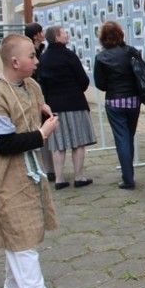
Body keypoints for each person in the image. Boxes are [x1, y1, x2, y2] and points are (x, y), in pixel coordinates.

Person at [0, 33, 67, 288]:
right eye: (32, 55)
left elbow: (35, 101)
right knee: (21, 237)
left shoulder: (31, 84)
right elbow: (3, 142)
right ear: (15, 62)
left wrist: (41, 110)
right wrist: (42, 134)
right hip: (6, 171)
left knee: (20, 231)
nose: (37, 60)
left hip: (26, 169)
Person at [37, 25, 96, 190]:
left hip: (54, 106)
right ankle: (78, 177)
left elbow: (42, 84)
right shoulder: (70, 56)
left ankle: (59, 179)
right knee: (78, 143)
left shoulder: (44, 58)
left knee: (58, 144)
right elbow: (83, 80)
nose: (66, 34)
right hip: (75, 103)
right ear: (57, 37)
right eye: (63, 32)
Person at [93, 21, 142, 190]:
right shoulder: (131, 52)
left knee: (121, 138)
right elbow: (141, 74)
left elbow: (100, 84)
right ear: (121, 34)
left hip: (114, 100)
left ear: (103, 38)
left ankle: (128, 179)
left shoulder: (100, 57)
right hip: (133, 100)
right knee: (129, 136)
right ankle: (129, 174)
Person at [24, 22, 55, 182]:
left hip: (45, 95)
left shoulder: (43, 49)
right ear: (36, 34)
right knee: (38, 131)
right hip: (34, 97)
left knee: (46, 131)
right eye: (41, 31)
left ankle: (49, 167)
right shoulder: (30, 51)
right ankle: (44, 167)